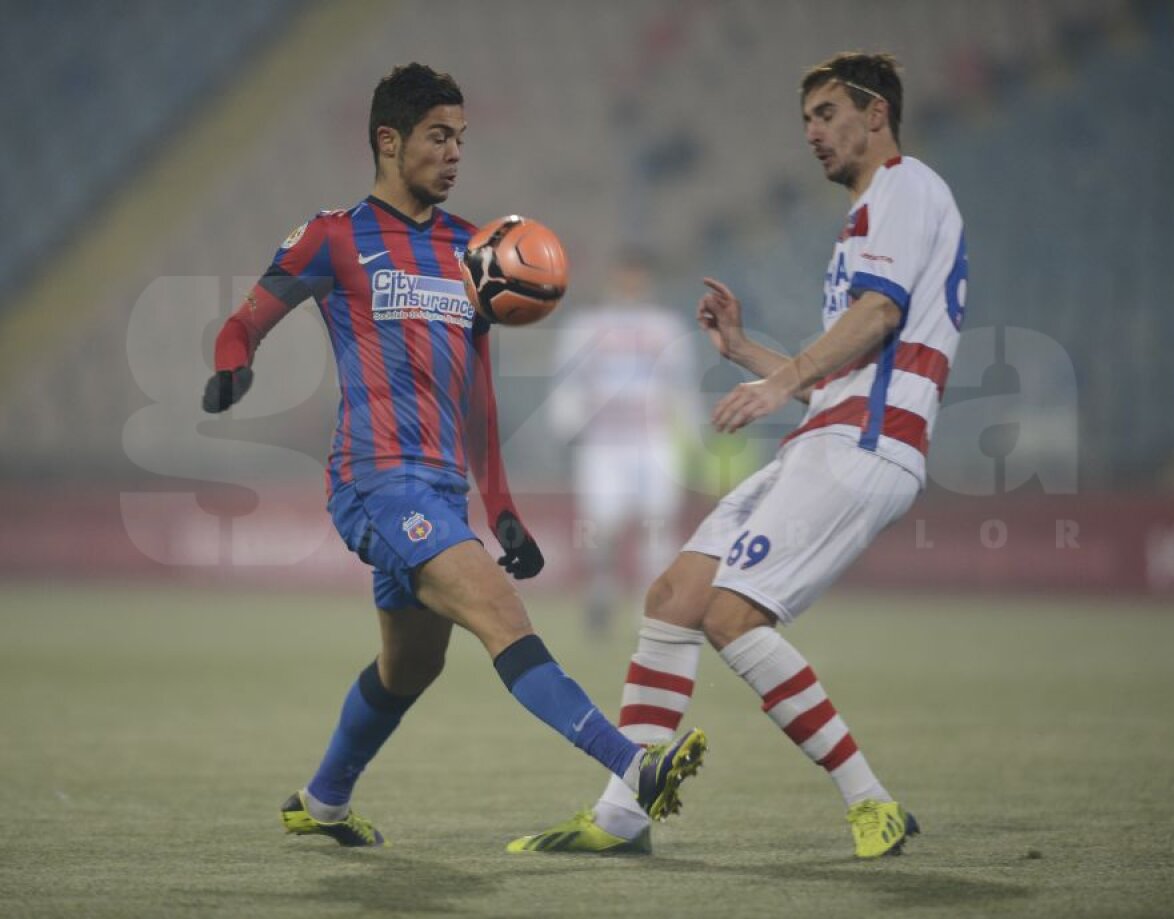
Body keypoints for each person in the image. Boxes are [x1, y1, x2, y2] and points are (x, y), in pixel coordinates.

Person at [201, 63, 706, 847]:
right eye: (439, 136)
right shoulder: (332, 236)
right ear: (388, 140)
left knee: (410, 668)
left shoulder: (475, 249)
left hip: (437, 490)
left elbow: (478, 394)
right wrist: (233, 360)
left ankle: (323, 800)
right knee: (501, 614)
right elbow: (246, 320)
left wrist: (500, 508)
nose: (455, 152)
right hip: (373, 482)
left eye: (461, 139)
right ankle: (635, 767)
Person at [509, 51, 966, 859]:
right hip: (833, 429)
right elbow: (847, 361)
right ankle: (622, 815)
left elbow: (879, 318)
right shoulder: (870, 212)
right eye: (806, 122)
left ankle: (873, 802)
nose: (814, 134)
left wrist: (783, 375)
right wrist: (747, 351)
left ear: (877, 114)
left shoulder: (907, 188)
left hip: (869, 443)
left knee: (732, 612)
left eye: (827, 114)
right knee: (676, 592)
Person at [548, 251, 700, 636]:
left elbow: (681, 384)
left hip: (653, 440)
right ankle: (601, 591)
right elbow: (568, 380)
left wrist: (692, 433)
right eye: (625, 275)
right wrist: (565, 422)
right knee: (602, 528)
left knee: (658, 525)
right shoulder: (587, 327)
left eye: (637, 275)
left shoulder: (666, 326)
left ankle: (651, 610)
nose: (631, 283)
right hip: (604, 443)